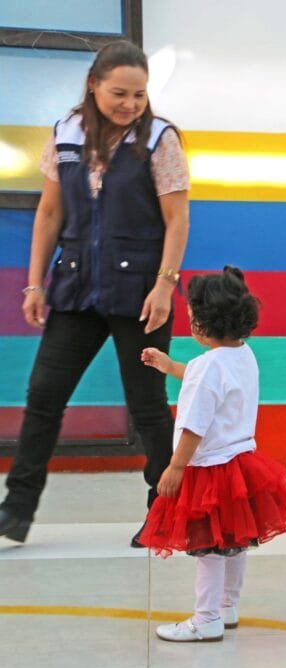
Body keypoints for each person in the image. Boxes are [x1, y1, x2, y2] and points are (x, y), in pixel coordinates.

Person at [0, 41, 189, 546]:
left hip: (140, 293)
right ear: (93, 85)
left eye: (139, 94)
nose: (129, 104)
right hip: (76, 288)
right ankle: (15, 512)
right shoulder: (64, 134)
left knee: (147, 404)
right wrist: (36, 283)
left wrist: (165, 286)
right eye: (118, 93)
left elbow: (176, 219)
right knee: (43, 397)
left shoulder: (161, 139)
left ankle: (164, 514)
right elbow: (48, 213)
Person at [138, 267, 286, 642]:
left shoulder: (208, 367)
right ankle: (227, 606)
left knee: (208, 550)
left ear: (204, 323)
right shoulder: (242, 354)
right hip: (240, 465)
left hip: (208, 470)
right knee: (234, 544)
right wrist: (167, 365)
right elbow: (205, 376)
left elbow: (193, 426)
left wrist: (174, 467)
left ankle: (206, 619)